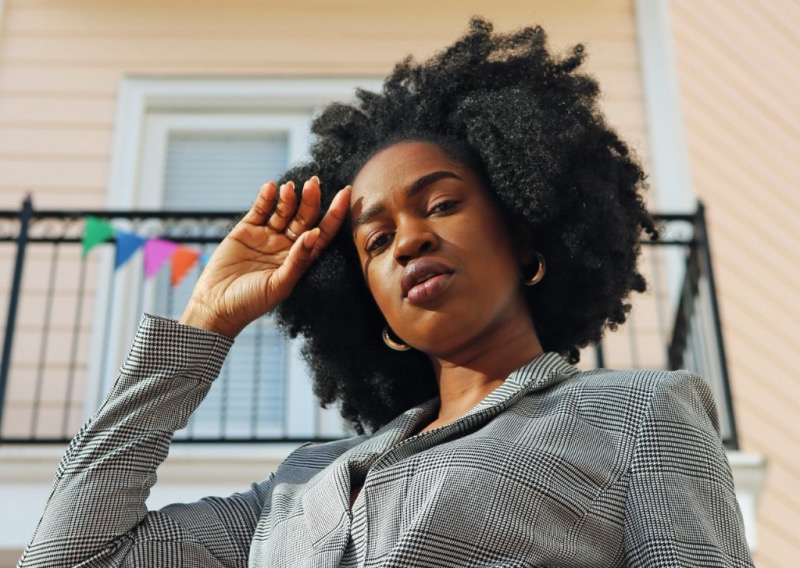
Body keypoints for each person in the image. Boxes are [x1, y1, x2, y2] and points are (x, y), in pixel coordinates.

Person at [19, 18, 754, 568]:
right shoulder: (296, 489)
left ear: (526, 242)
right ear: (374, 310)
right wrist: (204, 328)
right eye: (374, 241)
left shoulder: (639, 416)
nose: (408, 240)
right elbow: (71, 556)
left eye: (440, 205)